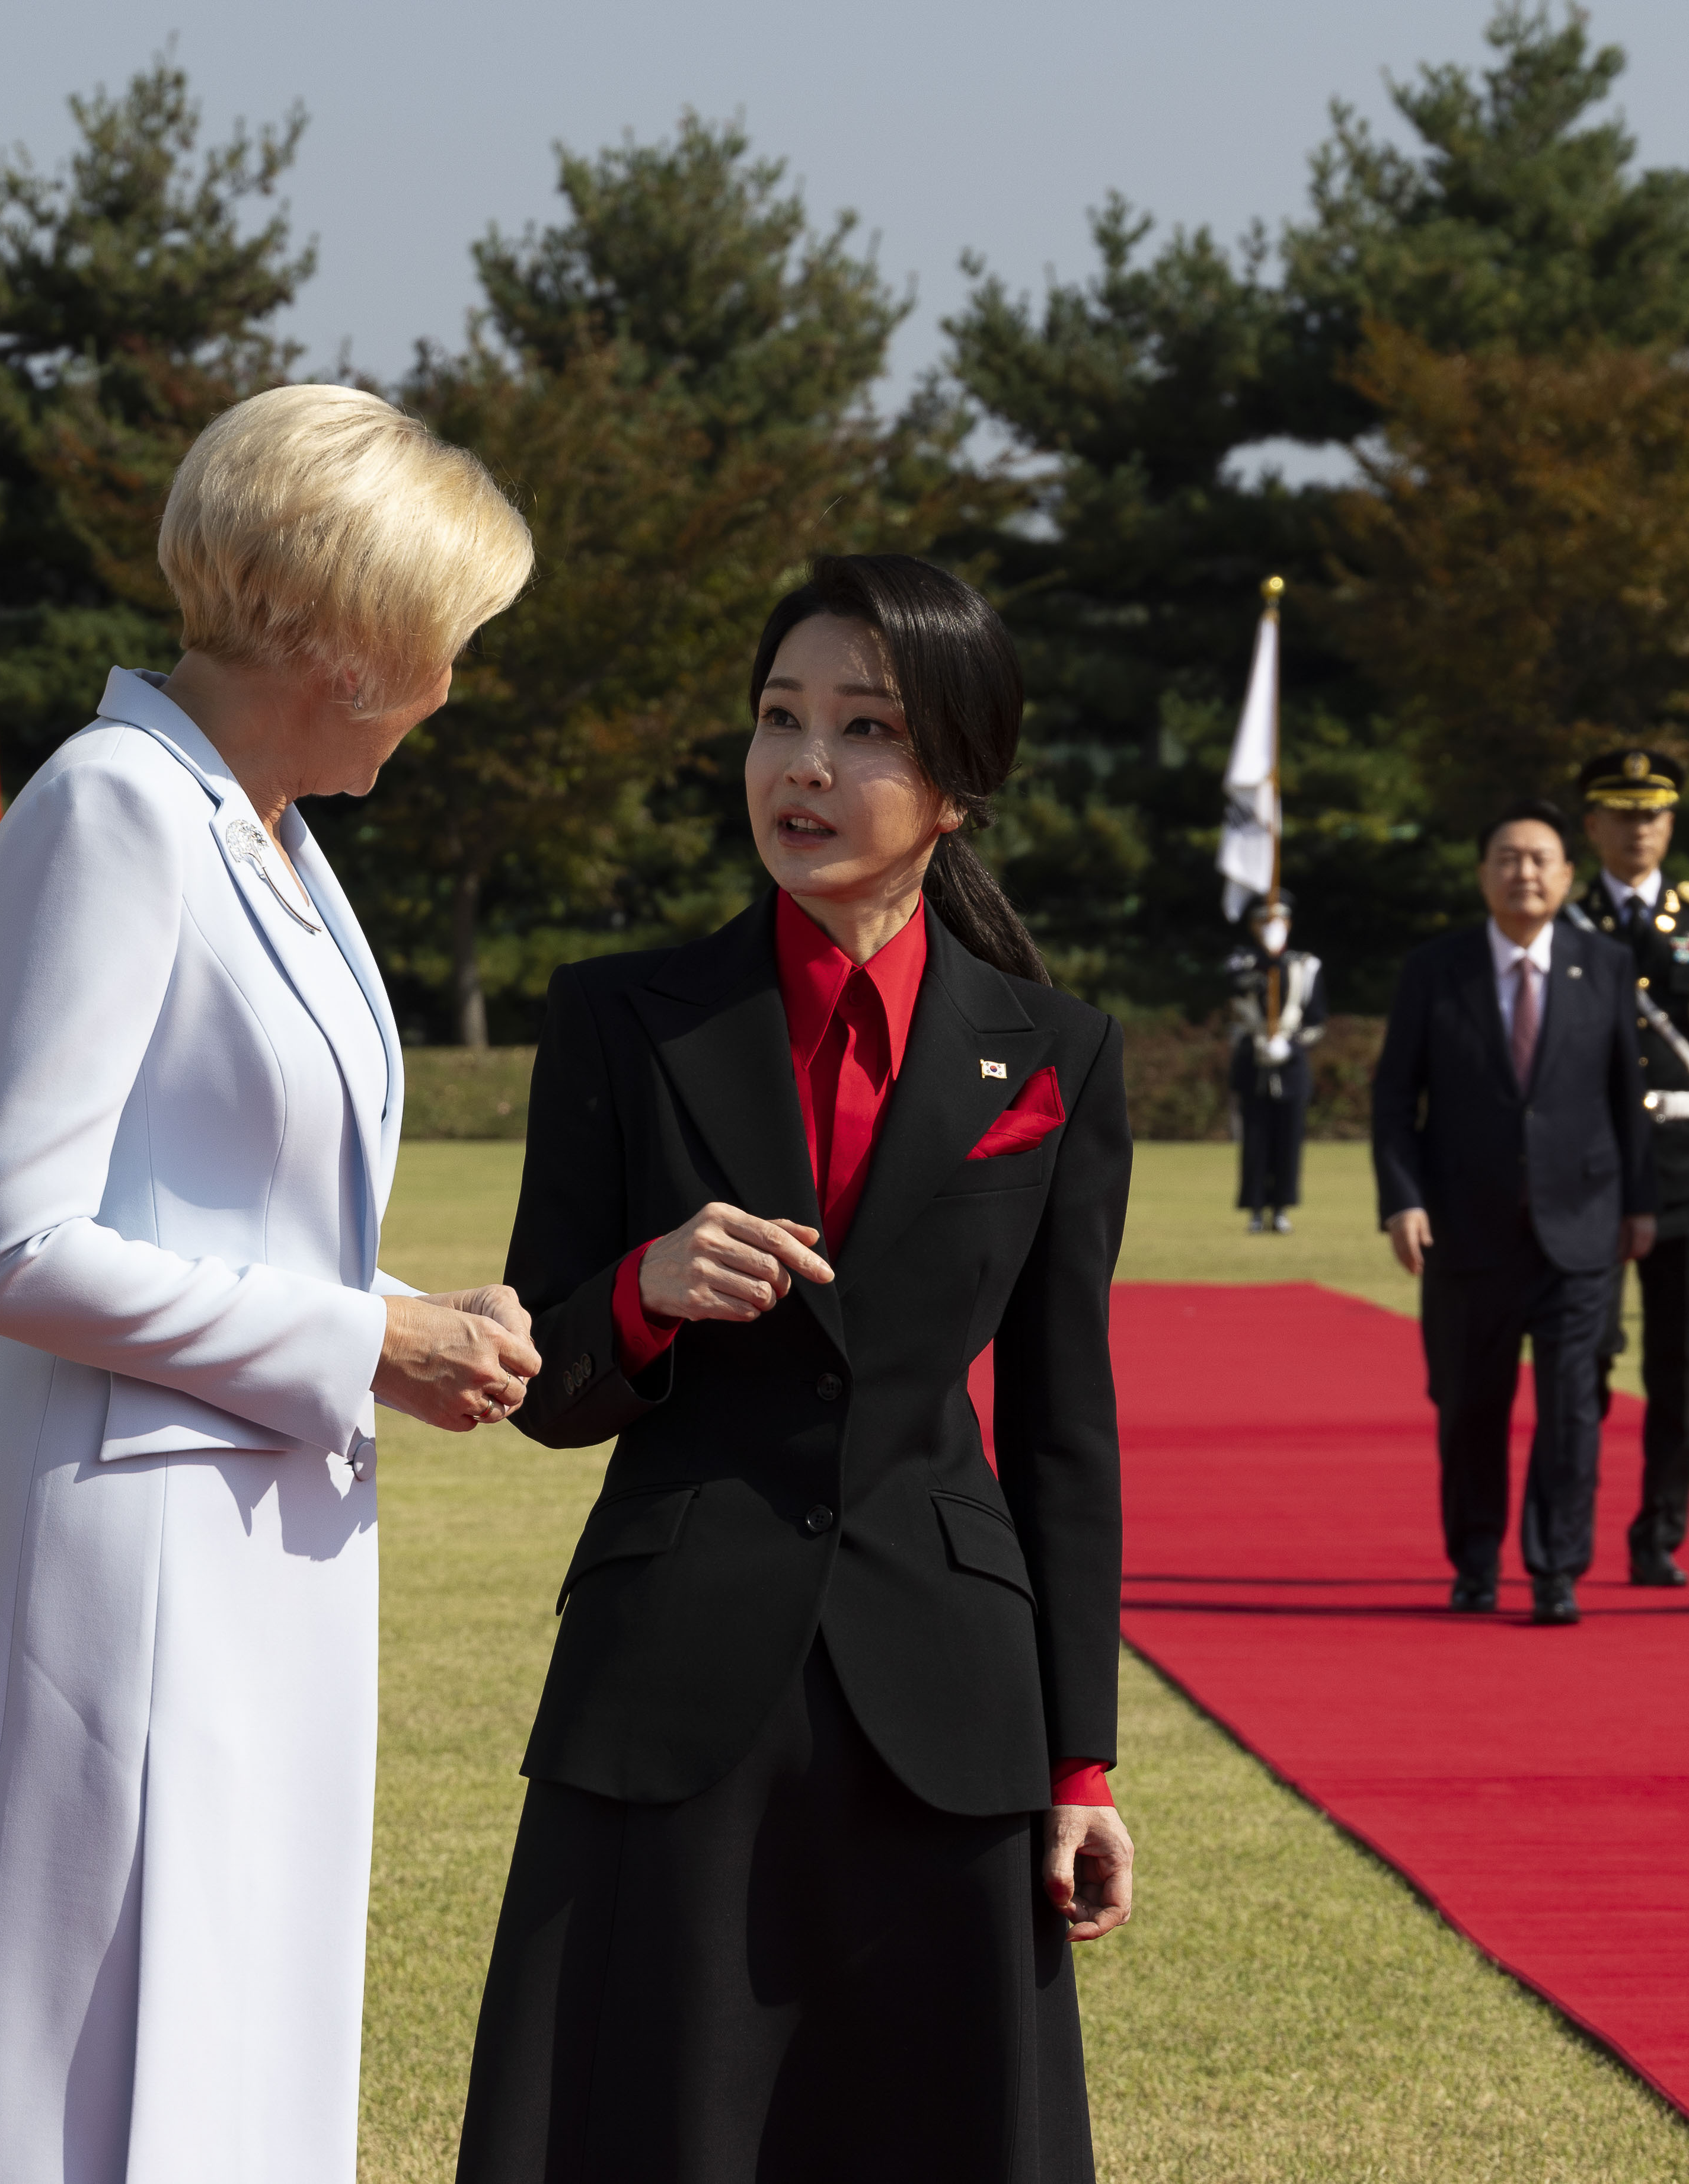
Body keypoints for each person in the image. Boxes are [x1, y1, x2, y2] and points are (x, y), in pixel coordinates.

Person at [0, 385, 542, 2184]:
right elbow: (9, 1239)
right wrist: (356, 1334)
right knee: (65, 2064)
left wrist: (402, 1313)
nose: (450, 687)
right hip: (119, 1547)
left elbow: (227, 1203)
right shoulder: (112, 811)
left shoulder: (279, 843)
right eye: (440, 642)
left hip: (252, 1538)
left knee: (235, 2026)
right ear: (338, 630)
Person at [459, 555, 1133, 2183]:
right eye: (778, 718)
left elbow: (1063, 1433)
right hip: (669, 1685)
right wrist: (641, 1287)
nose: (804, 766)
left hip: (951, 1705)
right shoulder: (623, 1017)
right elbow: (543, 1375)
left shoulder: (1054, 1054)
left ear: (958, 785)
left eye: (864, 728)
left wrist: (1081, 1762)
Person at [1372, 797, 1656, 1627]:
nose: (1523, 873)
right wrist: (1402, 1201)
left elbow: (1624, 1094)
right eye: (1506, 858)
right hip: (1466, 1230)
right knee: (1469, 1406)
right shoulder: (1436, 969)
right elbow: (1396, 1099)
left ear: (1568, 875)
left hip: (1581, 1229)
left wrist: (1639, 1204)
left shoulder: (1604, 965)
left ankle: (1558, 1568)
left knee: (1572, 1408)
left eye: (1539, 859)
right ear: (1481, 874)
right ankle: (1474, 1561)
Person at [1563, 747, 1689, 1588]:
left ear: (1670, 825)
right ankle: (1570, 1524)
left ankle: (1658, 1532)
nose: (1637, 829)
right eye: (1621, 814)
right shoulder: (1563, 924)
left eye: (1652, 815)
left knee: (1675, 1363)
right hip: (1593, 1168)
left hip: (1682, 1165)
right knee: (1586, 1354)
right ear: (1592, 826)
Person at [1228, 894, 1327, 1233]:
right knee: (1255, 1139)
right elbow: (1235, 989)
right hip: (1254, 1060)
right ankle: (1255, 1207)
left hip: (1290, 1060)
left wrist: (1290, 1043)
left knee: (1288, 1139)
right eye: (1263, 921)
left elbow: (1316, 1019)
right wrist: (1267, 964)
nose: (1271, 927)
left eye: (1278, 921)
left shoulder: (1306, 965)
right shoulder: (1241, 961)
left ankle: (1282, 1207)